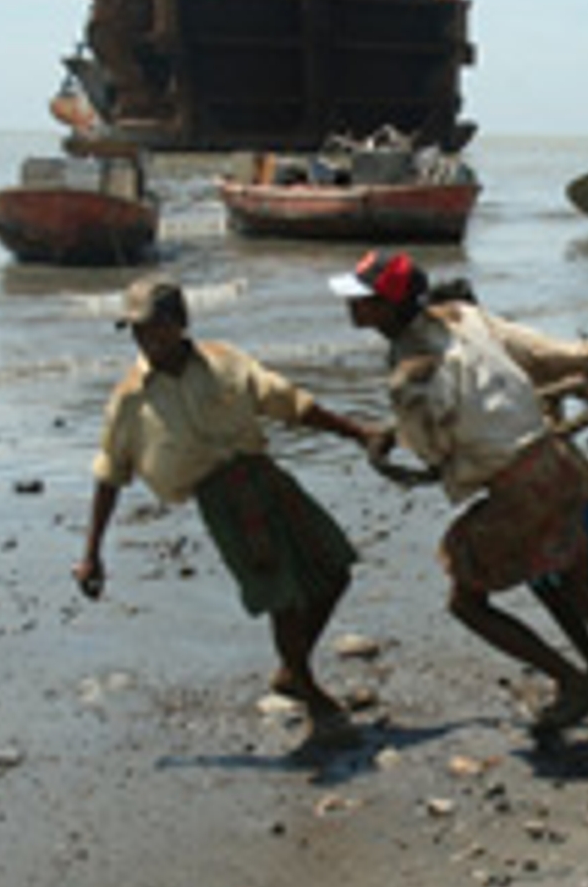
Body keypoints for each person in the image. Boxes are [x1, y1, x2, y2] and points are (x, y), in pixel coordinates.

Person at [332, 250, 588, 738]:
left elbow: (435, 452)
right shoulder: (464, 316)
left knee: (466, 601)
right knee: (580, 588)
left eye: (363, 300)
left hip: (520, 490)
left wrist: (402, 443)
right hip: (558, 464)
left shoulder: (410, 375)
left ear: (387, 308)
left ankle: (574, 682)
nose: (352, 308)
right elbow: (541, 353)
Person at [74, 276, 379, 742]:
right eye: (136, 332)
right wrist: (91, 552)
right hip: (221, 500)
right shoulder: (131, 399)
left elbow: (289, 403)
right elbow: (109, 474)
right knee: (282, 599)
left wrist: (358, 432)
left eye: (154, 329)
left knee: (334, 568)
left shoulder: (223, 362)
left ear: (180, 324)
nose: (146, 341)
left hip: (265, 477)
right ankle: (310, 693)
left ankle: (291, 670)